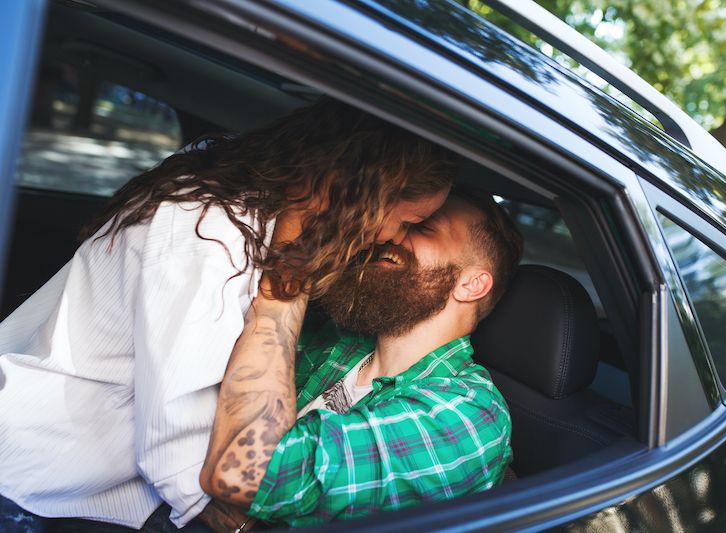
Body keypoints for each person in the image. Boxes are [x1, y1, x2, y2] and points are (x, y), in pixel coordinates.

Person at [0, 97, 456, 530]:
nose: (396, 238)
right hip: (42, 478)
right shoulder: (211, 234)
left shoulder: (233, 192)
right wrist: (237, 520)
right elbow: (176, 446)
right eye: (408, 221)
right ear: (362, 195)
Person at [200, 190, 524, 529]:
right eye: (405, 222)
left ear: (472, 284)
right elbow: (211, 392)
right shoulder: (340, 339)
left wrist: (284, 286)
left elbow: (245, 473)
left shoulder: (467, 415)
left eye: (423, 228)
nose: (393, 236)